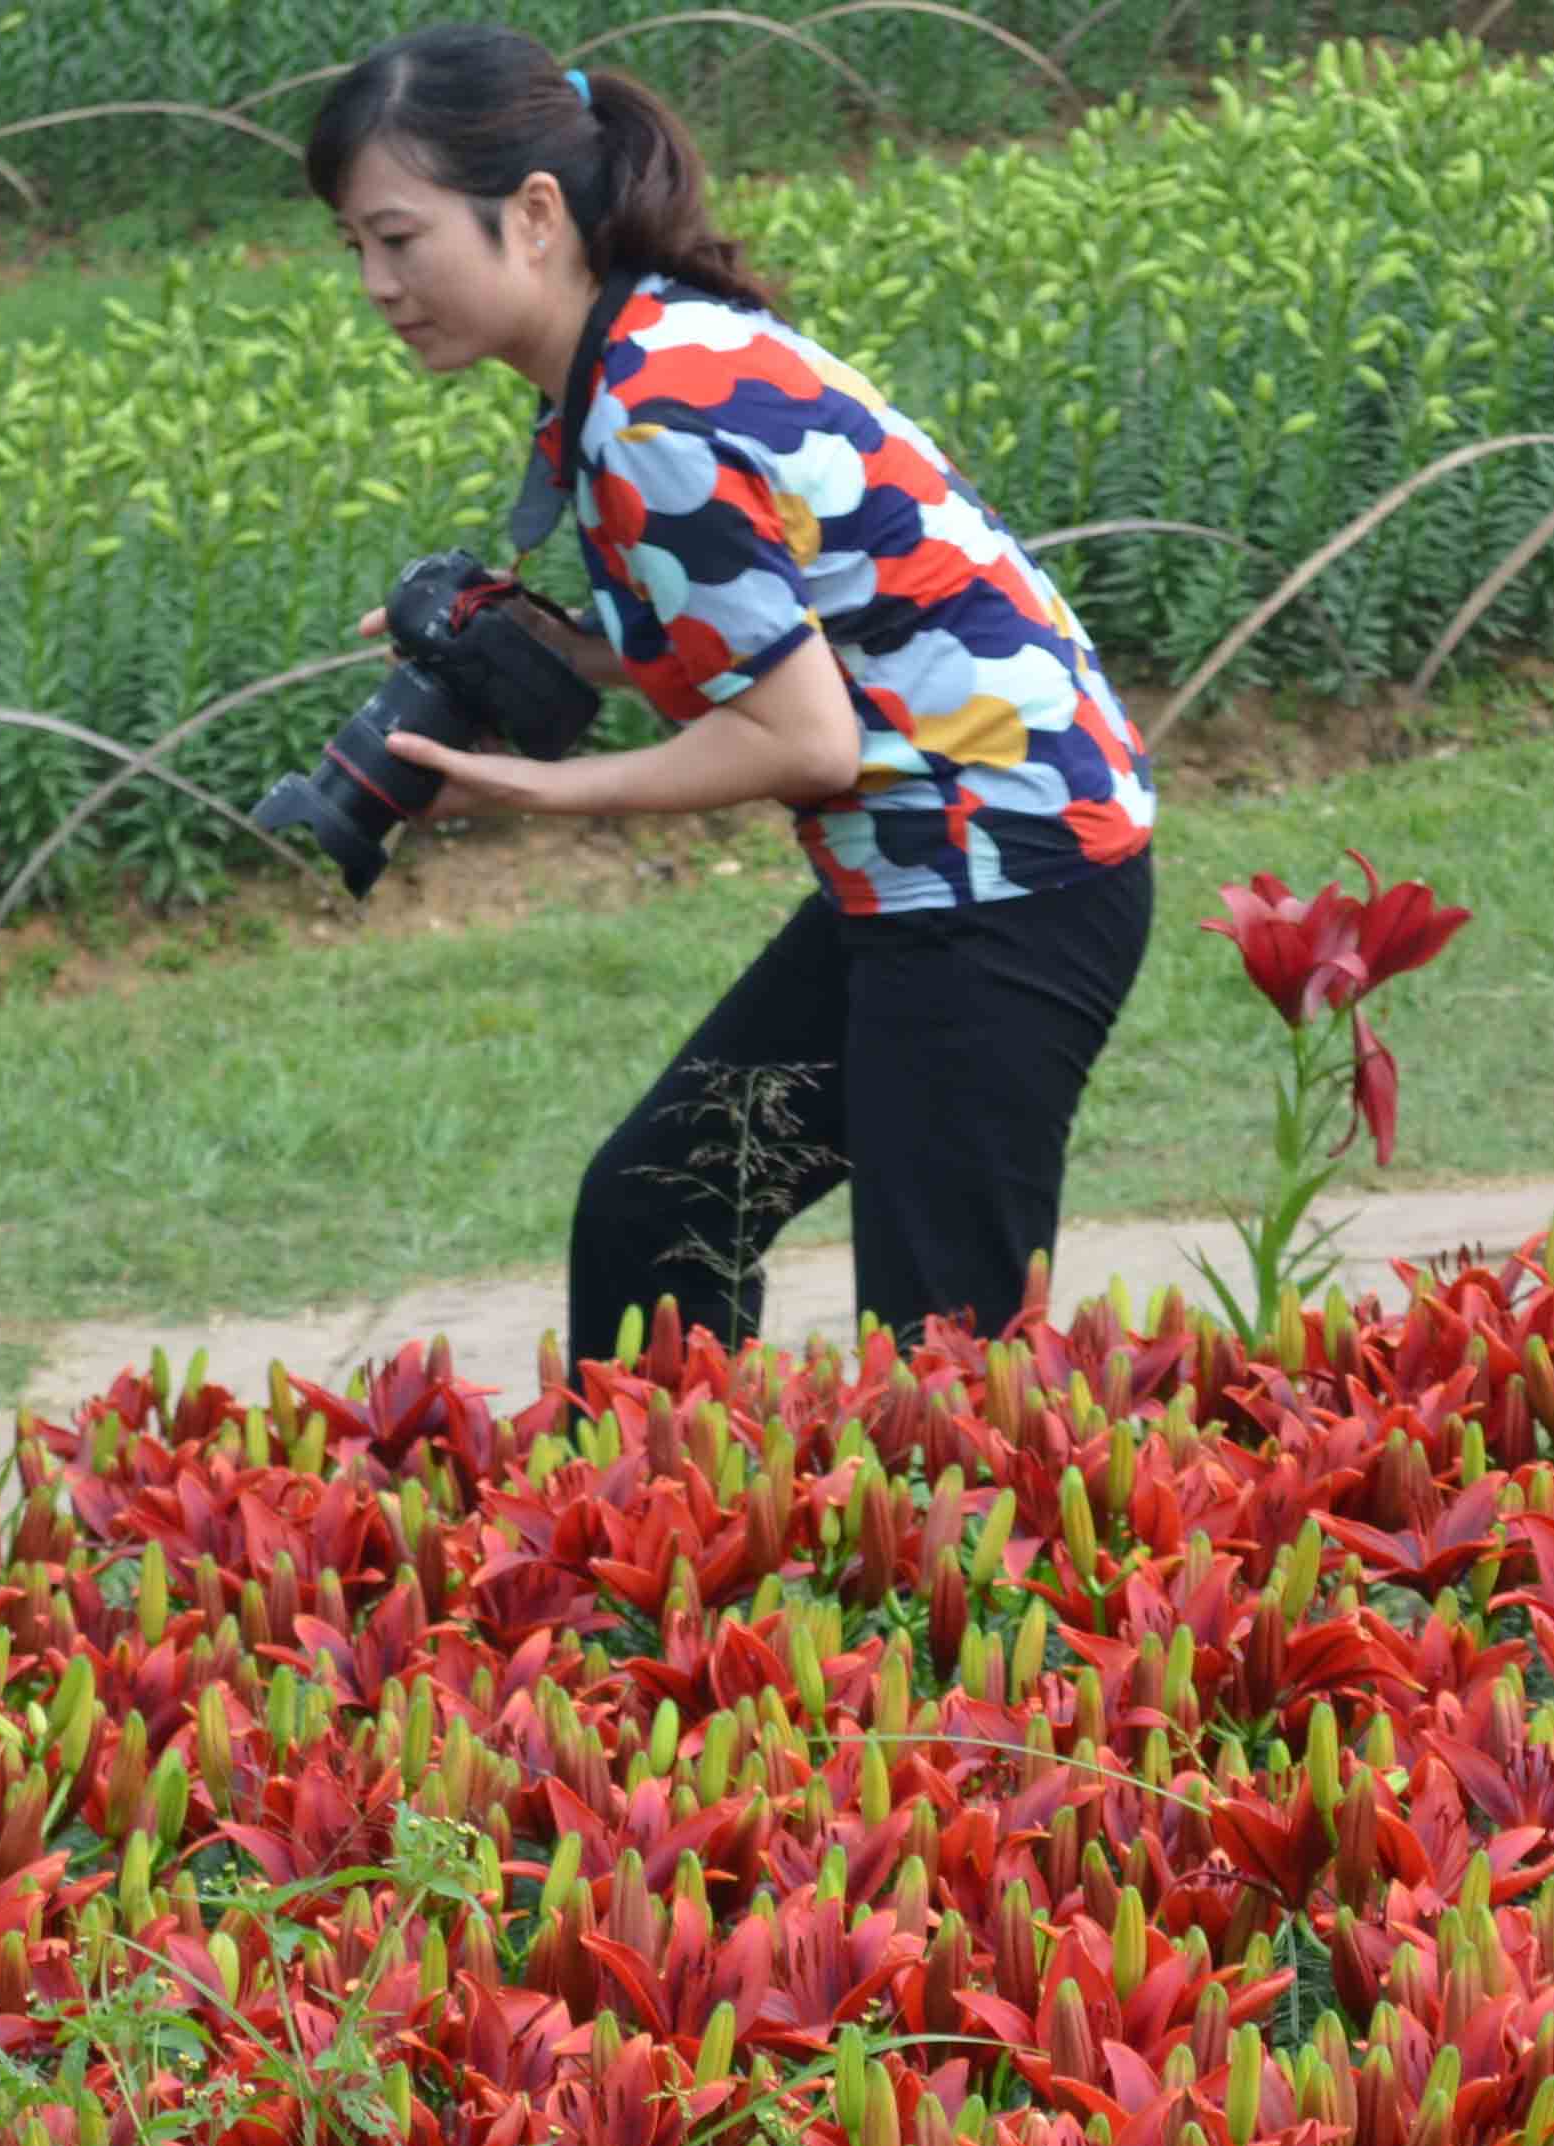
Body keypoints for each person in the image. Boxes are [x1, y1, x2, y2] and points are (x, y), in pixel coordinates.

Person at [298, 25, 1162, 1371]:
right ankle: (661, 1554)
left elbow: (807, 741)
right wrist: (556, 649)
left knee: (943, 1366)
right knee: (659, 1213)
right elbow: (783, 643)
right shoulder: (638, 358)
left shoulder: (650, 409)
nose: (375, 282)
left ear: (531, 217)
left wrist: (541, 793)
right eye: (354, 246)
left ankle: (982, 1574)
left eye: (398, 239)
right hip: (947, 869)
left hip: (1000, 883)